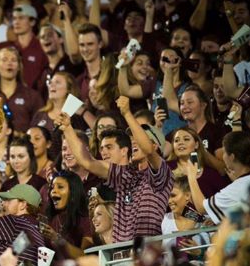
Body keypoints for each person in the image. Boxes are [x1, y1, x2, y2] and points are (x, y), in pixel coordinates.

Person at [56, 96, 173, 242]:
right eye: (131, 140)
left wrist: (127, 113)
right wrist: (67, 128)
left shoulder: (161, 173)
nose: (133, 143)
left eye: (139, 139)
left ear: (156, 145)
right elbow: (88, 163)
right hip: (121, 252)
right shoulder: (124, 174)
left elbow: (148, 150)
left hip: (148, 250)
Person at [186, 131, 250, 224]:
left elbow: (202, 208)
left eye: (224, 152)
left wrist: (191, 176)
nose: (222, 156)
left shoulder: (237, 189)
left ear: (231, 157)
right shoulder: (241, 185)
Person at [41, 170, 92, 257]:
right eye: (52, 187)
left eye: (60, 187)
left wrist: (58, 240)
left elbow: (83, 255)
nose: (53, 191)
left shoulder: (85, 220)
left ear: (73, 192)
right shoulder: (50, 219)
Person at [167, 127, 228, 198]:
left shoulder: (211, 174)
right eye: (176, 141)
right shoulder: (165, 168)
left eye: (186, 139)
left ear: (196, 145)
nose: (180, 143)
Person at [161, 176, 211, 259]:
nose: (169, 201)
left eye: (173, 196)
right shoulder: (164, 220)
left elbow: (218, 256)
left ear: (187, 195)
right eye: (167, 196)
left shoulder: (206, 220)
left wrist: (200, 252)